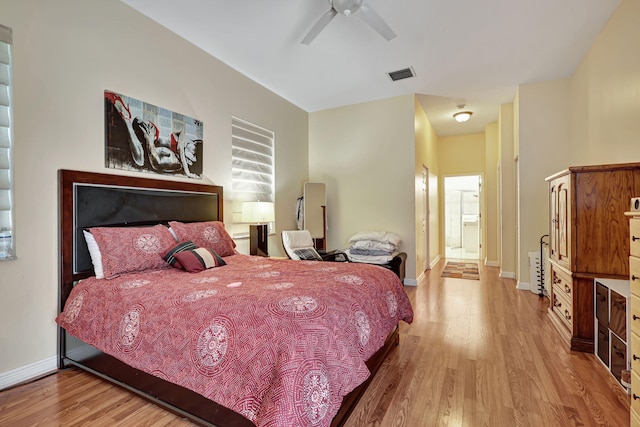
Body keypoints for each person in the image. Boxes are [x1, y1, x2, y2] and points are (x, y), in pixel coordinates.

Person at [105, 92, 201, 178]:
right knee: (140, 159)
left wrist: (149, 141)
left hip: (148, 144)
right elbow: (180, 148)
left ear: (193, 159)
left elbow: (156, 164)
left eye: (193, 149)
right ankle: (126, 118)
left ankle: (126, 117)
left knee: (140, 160)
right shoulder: (182, 143)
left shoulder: (176, 163)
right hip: (153, 133)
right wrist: (187, 172)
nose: (191, 144)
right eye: (194, 144)